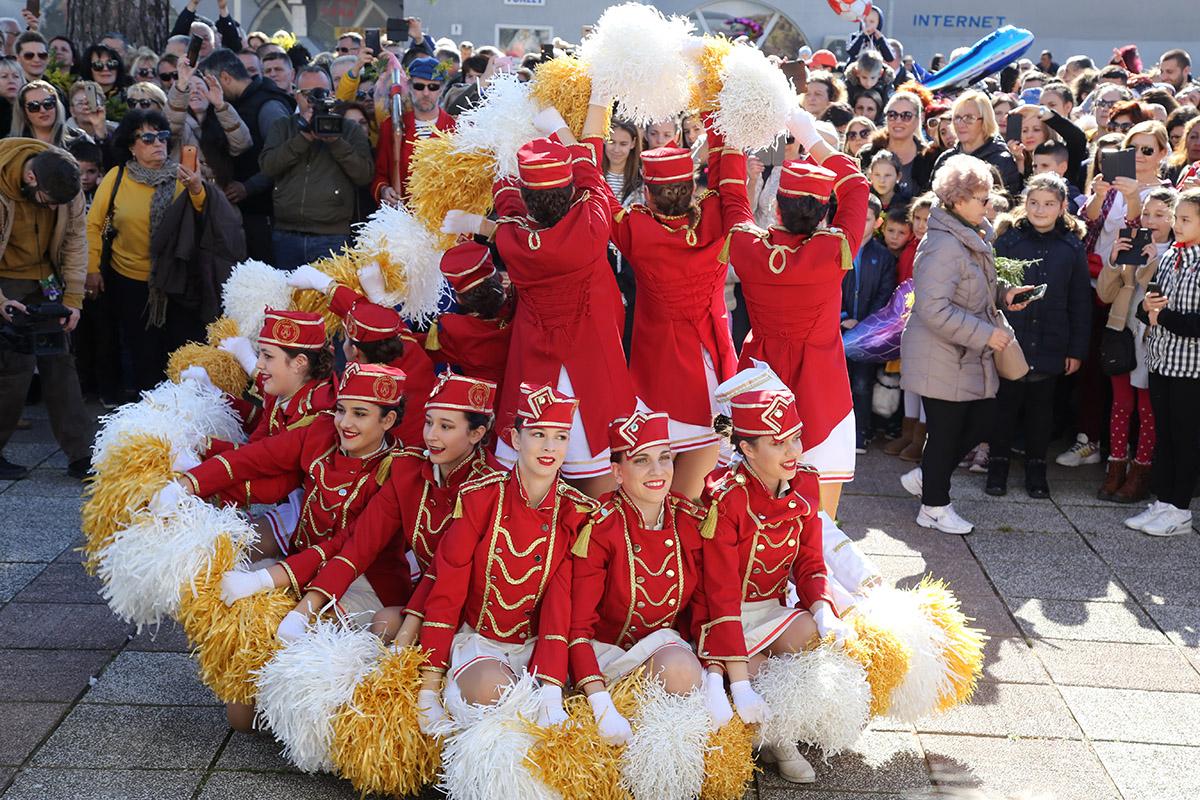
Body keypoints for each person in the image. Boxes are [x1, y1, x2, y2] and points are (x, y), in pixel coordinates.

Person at [165, 360, 406, 730]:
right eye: (342, 409)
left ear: (388, 421)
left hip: (362, 580)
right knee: (241, 718)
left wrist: (271, 580)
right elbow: (253, 458)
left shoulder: (397, 469)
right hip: (300, 566)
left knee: (296, 643)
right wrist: (189, 485)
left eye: (361, 414)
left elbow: (348, 546)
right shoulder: (321, 432)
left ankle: (319, 724)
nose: (346, 422)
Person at [440, 104, 635, 496]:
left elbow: (510, 205)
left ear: (529, 197)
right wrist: (563, 129)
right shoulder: (593, 224)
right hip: (592, 360)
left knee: (528, 479)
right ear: (568, 191)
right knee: (598, 472)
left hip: (533, 363)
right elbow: (590, 170)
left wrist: (503, 151)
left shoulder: (513, 241)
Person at [251, 373, 498, 655]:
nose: (431, 435)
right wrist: (303, 610)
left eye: (446, 426)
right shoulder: (408, 470)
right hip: (426, 599)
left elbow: (450, 571)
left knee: (373, 632)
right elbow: (360, 544)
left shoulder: (492, 487)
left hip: (477, 615)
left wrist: (408, 630)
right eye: (429, 422)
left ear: (476, 434)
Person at [697, 373, 851, 784]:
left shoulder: (806, 484)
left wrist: (823, 609)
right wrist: (739, 676)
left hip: (769, 609)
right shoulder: (725, 495)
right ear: (746, 448)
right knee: (759, 670)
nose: (793, 451)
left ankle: (774, 730)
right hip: (721, 616)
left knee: (813, 636)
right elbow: (719, 592)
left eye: (796, 438)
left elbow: (810, 563)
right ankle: (776, 739)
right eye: (778, 442)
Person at [415, 383, 595, 734]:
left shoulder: (576, 512)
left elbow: (560, 606)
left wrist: (552, 691)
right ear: (515, 439)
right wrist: (427, 689)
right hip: (479, 644)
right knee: (493, 695)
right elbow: (447, 592)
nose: (549, 447)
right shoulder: (480, 499)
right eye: (538, 434)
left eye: (560, 437)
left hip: (537, 652)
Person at [717, 107, 871, 516]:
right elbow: (856, 187)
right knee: (820, 522)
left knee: (751, 508)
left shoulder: (751, 248)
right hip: (822, 387)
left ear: (778, 208)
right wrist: (811, 138)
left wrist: (732, 135)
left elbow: (732, 197)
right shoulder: (831, 250)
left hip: (759, 380)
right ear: (824, 212)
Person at [599, 116, 743, 499]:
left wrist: (578, 132)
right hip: (711, 373)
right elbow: (732, 181)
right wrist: (720, 118)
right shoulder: (716, 216)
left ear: (647, 192)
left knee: (648, 496)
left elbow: (596, 189)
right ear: (693, 187)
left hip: (656, 371)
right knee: (694, 500)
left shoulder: (637, 229)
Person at [899, 154, 1035, 533]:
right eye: (981, 198)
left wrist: (1004, 295)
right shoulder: (944, 244)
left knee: (977, 421)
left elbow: (971, 291)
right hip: (942, 354)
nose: (988, 204)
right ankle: (934, 507)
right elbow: (933, 308)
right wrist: (986, 334)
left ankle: (928, 479)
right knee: (948, 432)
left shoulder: (968, 236)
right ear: (958, 200)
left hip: (959, 353)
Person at [568, 410, 713, 746]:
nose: (657, 471)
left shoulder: (690, 521)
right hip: (608, 657)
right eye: (641, 460)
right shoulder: (599, 528)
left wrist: (720, 676)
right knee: (679, 670)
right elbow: (577, 627)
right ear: (617, 472)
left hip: (670, 656)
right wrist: (599, 700)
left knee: (692, 670)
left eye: (664, 458)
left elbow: (705, 609)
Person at [84, 109, 208, 392]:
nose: (158, 143)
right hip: (130, 281)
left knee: (179, 352)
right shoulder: (117, 177)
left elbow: (203, 220)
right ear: (131, 145)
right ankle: (145, 416)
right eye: (148, 138)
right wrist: (92, 269)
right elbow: (96, 225)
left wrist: (198, 188)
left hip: (177, 281)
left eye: (162, 136)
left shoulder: (182, 176)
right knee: (142, 353)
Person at [986, 174, 1091, 498]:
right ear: (1024, 204)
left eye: (1048, 204)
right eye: (1033, 203)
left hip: (1051, 339)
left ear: (1062, 207)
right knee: (1005, 407)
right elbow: (992, 287)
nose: (1040, 209)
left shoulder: (1071, 247)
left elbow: (1079, 301)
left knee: (1041, 411)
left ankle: (1036, 471)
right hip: (1012, 339)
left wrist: (1076, 349)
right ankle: (998, 468)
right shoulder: (1009, 240)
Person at [0, 140, 92, 482]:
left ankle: (81, 454)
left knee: (61, 363)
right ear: (29, 177)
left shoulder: (65, 179)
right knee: (14, 368)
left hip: (47, 278)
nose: (53, 210)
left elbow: (75, 240)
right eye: (48, 203)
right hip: (7, 279)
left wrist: (73, 299)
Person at [1127, 188, 1200, 535]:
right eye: (1177, 218)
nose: (1177, 225)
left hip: (1192, 368)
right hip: (1161, 361)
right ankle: (1164, 500)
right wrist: (1148, 312)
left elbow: (1195, 324)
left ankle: (1181, 509)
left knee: (1186, 438)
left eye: (1186, 219)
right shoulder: (1171, 255)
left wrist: (1162, 317)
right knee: (1166, 435)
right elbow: (1148, 304)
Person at [1097, 187, 1176, 503]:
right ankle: (1115, 466)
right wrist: (1115, 261)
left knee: (1147, 407)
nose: (1151, 220)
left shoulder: (1175, 252)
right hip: (1122, 332)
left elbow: (1156, 289)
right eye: (1147, 213)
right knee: (1121, 404)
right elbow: (1104, 294)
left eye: (1160, 215)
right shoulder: (1132, 241)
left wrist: (1153, 261)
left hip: (1152, 339)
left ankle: (1141, 470)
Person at [260, 65, 372, 270]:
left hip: (332, 236)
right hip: (286, 234)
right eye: (308, 94)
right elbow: (268, 167)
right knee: (287, 299)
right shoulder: (283, 126)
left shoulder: (349, 129)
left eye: (321, 93)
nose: (315, 100)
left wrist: (335, 142)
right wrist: (303, 137)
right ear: (296, 95)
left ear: (331, 95)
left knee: (329, 300)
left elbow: (364, 175)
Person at [197, 47, 292, 263]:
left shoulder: (269, 106)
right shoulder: (231, 104)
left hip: (265, 216)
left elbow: (284, 159)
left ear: (225, 78)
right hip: (239, 213)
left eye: (211, 85)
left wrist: (248, 187)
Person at [842, 194, 897, 452]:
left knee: (862, 383)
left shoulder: (883, 256)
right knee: (839, 382)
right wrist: (843, 318)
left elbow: (885, 294)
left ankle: (862, 432)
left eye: (866, 219)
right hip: (839, 329)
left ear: (877, 222)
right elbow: (830, 287)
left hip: (868, 332)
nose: (860, 223)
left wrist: (864, 323)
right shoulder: (839, 248)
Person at [424, 240, 514, 391]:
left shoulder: (457, 330)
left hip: (484, 405)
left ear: (459, 298)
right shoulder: (521, 306)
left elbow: (412, 348)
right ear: (499, 278)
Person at [372, 56, 456, 207]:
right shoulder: (391, 126)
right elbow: (380, 174)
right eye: (419, 86)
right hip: (402, 217)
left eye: (433, 87)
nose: (425, 93)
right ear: (410, 87)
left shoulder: (456, 128)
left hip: (442, 220)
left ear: (442, 89)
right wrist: (384, 190)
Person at [165, 57, 251, 187]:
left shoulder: (221, 119)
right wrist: (181, 84)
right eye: (189, 87)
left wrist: (221, 105)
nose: (195, 91)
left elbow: (242, 144)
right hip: (185, 196)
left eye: (200, 86)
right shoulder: (178, 122)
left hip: (218, 197)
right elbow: (170, 128)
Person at [934, 90, 1023, 196]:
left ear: (985, 121)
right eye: (957, 118)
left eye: (969, 118)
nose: (961, 124)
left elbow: (1008, 203)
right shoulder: (945, 158)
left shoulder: (1001, 161)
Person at [858, 91, 939, 197]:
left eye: (906, 116)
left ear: (919, 119)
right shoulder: (867, 155)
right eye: (892, 115)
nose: (898, 120)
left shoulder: (930, 159)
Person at [8, 81, 72, 146]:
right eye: (34, 106)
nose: (42, 110)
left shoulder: (78, 141)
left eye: (48, 103)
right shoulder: (11, 146)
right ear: (24, 111)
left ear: (56, 106)